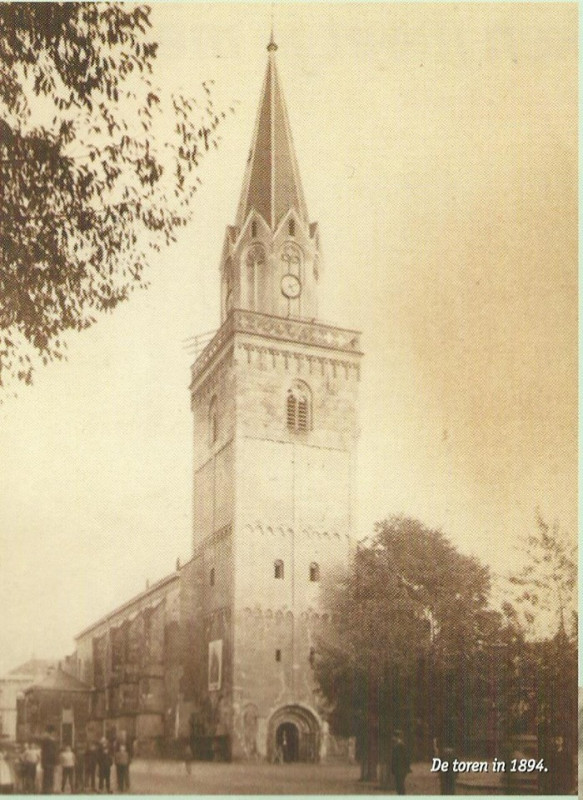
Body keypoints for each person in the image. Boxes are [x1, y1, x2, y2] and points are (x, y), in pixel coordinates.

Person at [391, 730, 410, 795]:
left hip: (401, 769)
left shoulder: (401, 746)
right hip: (398, 769)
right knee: (398, 784)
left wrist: (406, 768)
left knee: (400, 784)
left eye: (394, 736)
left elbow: (405, 758)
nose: (392, 738)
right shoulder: (396, 745)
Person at [40, 727, 58, 795]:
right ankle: (48, 790)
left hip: (46, 761)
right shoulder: (50, 741)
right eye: (54, 732)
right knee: (49, 776)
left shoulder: (45, 741)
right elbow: (52, 752)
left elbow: (43, 752)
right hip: (49, 761)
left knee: (47, 776)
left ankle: (46, 789)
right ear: (52, 733)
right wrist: (56, 761)